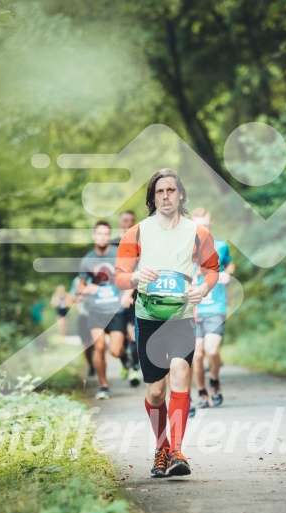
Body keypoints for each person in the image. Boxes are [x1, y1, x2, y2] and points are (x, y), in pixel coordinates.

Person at [115, 168, 219, 478]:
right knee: (156, 393)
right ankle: (161, 446)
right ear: (151, 198)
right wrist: (135, 276)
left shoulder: (198, 233)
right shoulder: (135, 233)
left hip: (182, 318)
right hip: (147, 320)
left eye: (171, 190)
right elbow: (120, 278)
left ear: (181, 195)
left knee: (180, 373)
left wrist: (203, 288)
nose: (166, 196)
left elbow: (212, 269)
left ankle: (176, 450)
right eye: (160, 191)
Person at [78, 221, 134, 399]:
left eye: (105, 234)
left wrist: (127, 294)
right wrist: (86, 289)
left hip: (116, 311)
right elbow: (80, 286)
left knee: (115, 351)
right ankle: (104, 386)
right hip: (96, 310)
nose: (102, 237)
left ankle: (124, 358)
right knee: (99, 347)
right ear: (94, 236)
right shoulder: (87, 259)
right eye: (99, 234)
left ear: (109, 236)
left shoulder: (117, 254)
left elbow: (132, 276)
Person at [191, 208, 235, 408]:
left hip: (215, 307)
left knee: (211, 350)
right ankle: (201, 392)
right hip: (193, 310)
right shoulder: (184, 249)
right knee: (197, 354)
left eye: (206, 225)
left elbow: (229, 265)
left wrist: (227, 274)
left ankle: (215, 381)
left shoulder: (221, 246)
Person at [111, 210, 141, 387]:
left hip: (134, 294)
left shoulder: (139, 243)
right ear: (120, 223)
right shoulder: (112, 244)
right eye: (125, 220)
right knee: (117, 344)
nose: (128, 223)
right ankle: (125, 362)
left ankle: (135, 368)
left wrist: (129, 292)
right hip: (113, 297)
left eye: (131, 220)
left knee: (133, 334)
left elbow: (140, 269)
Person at [69, 276, 95, 377]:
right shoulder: (77, 280)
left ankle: (98, 364)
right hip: (84, 315)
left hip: (98, 315)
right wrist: (79, 298)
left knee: (97, 344)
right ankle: (91, 365)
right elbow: (72, 298)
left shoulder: (101, 277)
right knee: (86, 344)